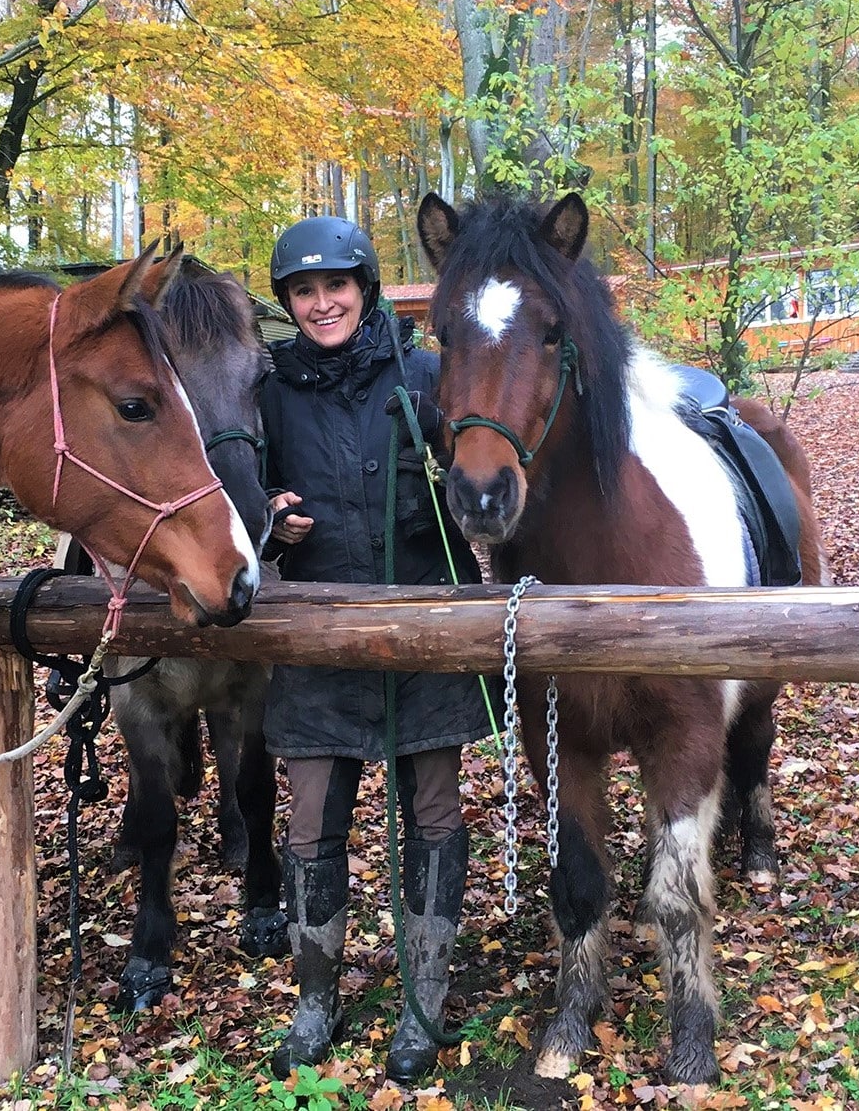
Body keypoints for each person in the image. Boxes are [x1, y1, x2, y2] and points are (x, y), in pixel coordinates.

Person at [259, 215, 492, 1084]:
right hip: (317, 643)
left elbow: (484, 472)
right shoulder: (267, 391)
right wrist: (270, 517)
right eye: (303, 291)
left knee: (433, 816)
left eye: (335, 286)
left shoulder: (425, 372)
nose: (321, 303)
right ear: (289, 303)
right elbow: (233, 498)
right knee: (312, 821)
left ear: (363, 286)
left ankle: (422, 1000)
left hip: (424, 633)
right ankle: (315, 996)